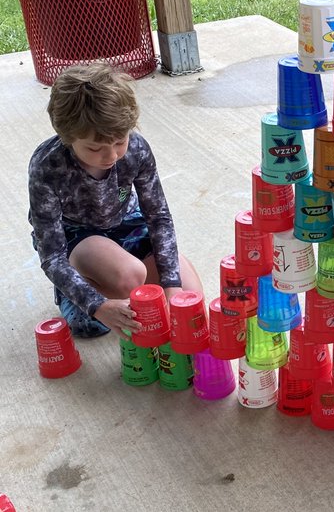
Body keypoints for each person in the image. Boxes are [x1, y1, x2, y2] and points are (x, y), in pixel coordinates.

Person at [28, 62, 203, 339]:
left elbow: (158, 216)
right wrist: (99, 305)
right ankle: (76, 290)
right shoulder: (48, 166)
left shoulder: (136, 148)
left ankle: (113, 286)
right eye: (95, 148)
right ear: (67, 138)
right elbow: (51, 254)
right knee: (123, 286)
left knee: (189, 302)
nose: (111, 156)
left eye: (119, 141)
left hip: (126, 223)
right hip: (77, 235)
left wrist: (171, 285)